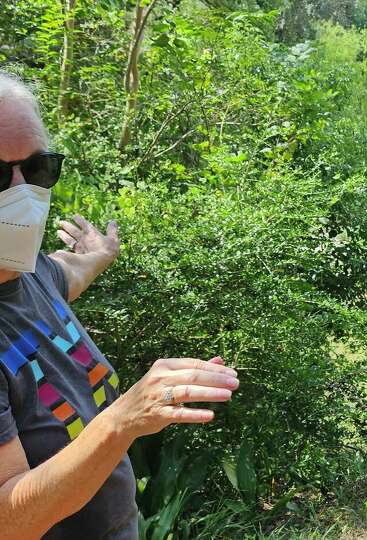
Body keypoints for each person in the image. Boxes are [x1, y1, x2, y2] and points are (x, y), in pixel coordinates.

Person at [0, 72, 240, 539]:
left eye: (36, 169)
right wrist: (121, 421)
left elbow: (71, 270)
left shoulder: (32, 276)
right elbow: (9, 521)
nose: (20, 191)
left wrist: (101, 255)